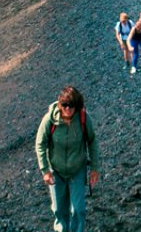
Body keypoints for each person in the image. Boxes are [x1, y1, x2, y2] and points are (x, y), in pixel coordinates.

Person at [34, 86, 99, 232]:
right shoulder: (49, 120)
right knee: (59, 210)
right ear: (59, 104)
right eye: (65, 105)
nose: (68, 109)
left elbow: (92, 141)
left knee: (78, 210)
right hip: (56, 171)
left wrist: (94, 168)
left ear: (77, 105)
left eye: (72, 105)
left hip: (77, 170)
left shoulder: (83, 118)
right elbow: (40, 143)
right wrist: (45, 170)